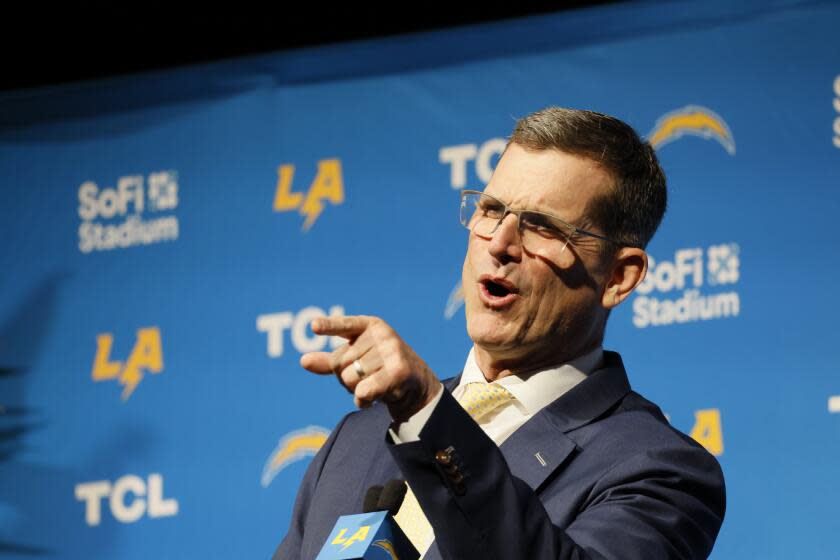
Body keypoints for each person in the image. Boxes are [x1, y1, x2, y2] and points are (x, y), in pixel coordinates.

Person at [273, 107, 725, 559]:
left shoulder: (659, 469)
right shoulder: (354, 441)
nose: (500, 244)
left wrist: (429, 418)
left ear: (618, 277)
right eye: (491, 210)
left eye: (543, 226)